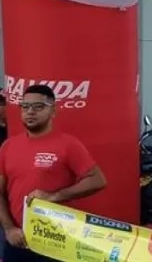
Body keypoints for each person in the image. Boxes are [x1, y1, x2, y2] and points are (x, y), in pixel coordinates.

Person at [0, 84, 107, 262]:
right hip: (17, 240)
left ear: (53, 111)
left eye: (38, 107)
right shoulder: (8, 146)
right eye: (25, 107)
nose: (30, 112)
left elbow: (98, 180)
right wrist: (9, 228)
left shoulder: (68, 145)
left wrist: (53, 196)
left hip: (55, 239)